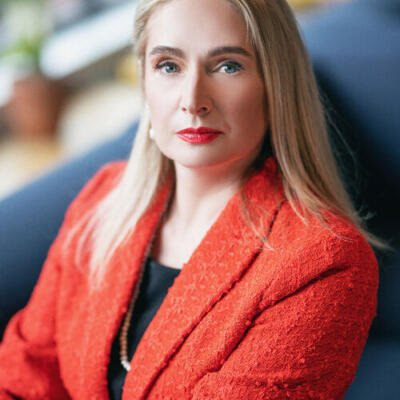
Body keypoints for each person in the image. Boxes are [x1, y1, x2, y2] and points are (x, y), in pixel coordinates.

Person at [0, 0, 381, 399]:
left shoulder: (324, 262)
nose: (193, 99)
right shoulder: (103, 199)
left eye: (228, 66)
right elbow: (23, 377)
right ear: (144, 81)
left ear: (276, 86)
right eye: (169, 66)